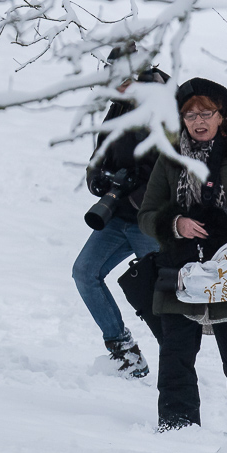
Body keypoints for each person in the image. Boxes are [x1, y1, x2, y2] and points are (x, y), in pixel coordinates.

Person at [138, 77, 227, 433]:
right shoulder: (169, 158)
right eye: (190, 115)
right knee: (175, 358)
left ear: (221, 116)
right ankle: (177, 429)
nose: (198, 121)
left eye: (206, 113)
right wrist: (176, 223)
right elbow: (146, 215)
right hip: (179, 270)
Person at [72, 55, 168, 378]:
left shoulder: (163, 106)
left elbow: (171, 167)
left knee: (161, 295)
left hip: (148, 220)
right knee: (85, 272)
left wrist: (135, 183)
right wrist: (97, 176)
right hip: (117, 216)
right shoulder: (119, 105)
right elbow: (102, 154)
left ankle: (176, 361)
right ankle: (123, 351)